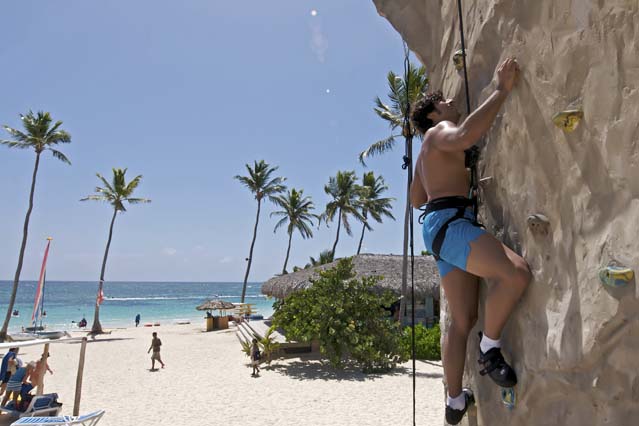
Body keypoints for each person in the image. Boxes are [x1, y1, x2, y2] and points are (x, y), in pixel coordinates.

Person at [410, 57, 532, 425]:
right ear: (432, 115)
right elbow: (463, 136)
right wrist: (500, 90)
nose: (449, 103)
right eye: (443, 102)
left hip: (438, 228)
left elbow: (417, 198)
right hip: (452, 222)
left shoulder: (424, 152)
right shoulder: (438, 132)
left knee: (462, 319)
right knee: (516, 274)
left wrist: (446, 169)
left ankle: (454, 399)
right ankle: (490, 349)